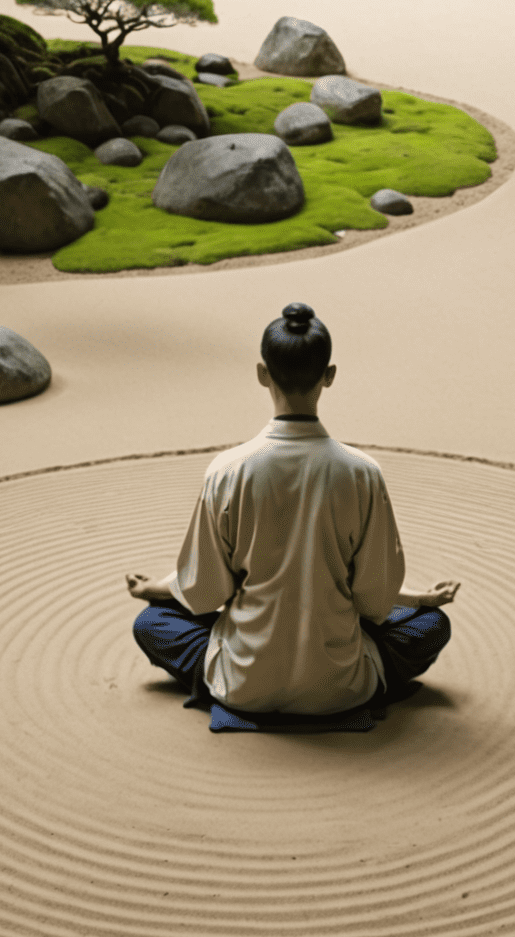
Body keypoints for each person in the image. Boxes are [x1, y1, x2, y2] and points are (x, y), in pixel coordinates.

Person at [125, 302, 459, 726]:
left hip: (242, 683)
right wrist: (420, 600)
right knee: (430, 624)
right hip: (341, 687)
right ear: (330, 375)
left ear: (263, 373)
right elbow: (373, 601)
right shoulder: (362, 473)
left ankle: (228, 682)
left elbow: (206, 591)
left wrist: (157, 588)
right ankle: (346, 683)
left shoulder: (226, 471)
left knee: (152, 622)